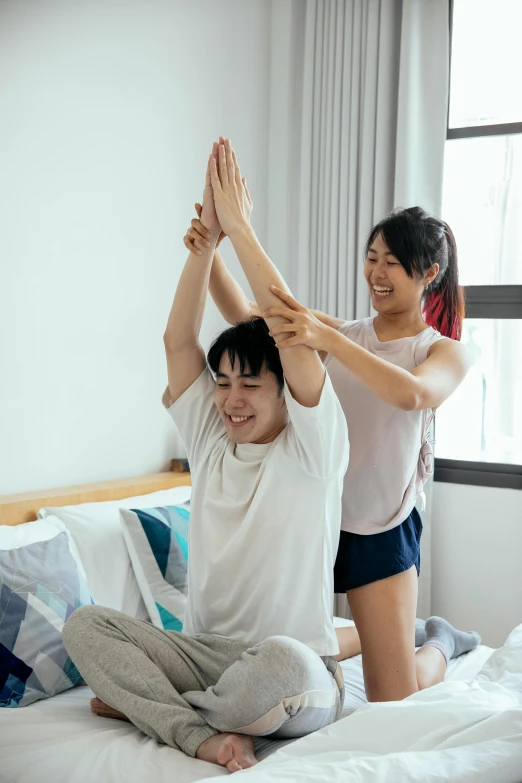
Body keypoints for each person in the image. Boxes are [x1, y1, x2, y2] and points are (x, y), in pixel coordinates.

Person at [62, 139, 349, 773]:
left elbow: (285, 323)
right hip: (203, 653)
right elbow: (177, 339)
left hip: (293, 667)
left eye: (251, 384)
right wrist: (202, 248)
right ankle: (198, 731)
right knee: (84, 626)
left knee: (284, 664)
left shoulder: (316, 448)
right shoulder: (210, 439)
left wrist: (240, 228)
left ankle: (153, 707)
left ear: (286, 391)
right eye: (223, 383)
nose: (231, 400)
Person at [185, 169, 481, 703]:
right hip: (313, 519)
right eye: (372, 257)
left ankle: (438, 641)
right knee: (300, 646)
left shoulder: (442, 350)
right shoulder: (345, 335)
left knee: (397, 696)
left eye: (393, 262)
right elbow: (250, 315)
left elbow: (414, 394)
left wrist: (329, 339)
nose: (378, 272)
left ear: (429, 273)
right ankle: (384, 637)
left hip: (379, 531)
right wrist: (210, 251)